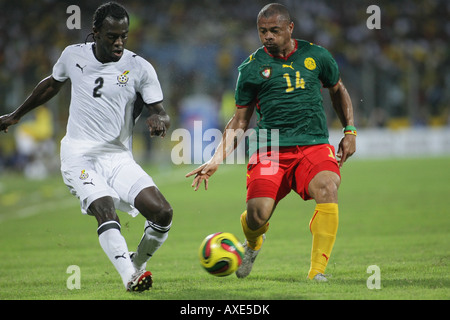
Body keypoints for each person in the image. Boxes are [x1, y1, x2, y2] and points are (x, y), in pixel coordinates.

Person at [0, 2, 172, 292]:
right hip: (79, 155)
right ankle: (129, 277)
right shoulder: (73, 55)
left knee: (162, 213)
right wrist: (16, 114)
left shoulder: (139, 67)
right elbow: (51, 85)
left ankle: (137, 264)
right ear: (96, 33)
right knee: (105, 209)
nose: (119, 43)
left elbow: (161, 110)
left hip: (118, 157)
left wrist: (159, 118)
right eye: (112, 36)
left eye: (124, 36)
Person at [186, 3, 356, 282]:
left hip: (311, 143)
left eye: (274, 30)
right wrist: (216, 158)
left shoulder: (317, 56)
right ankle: (253, 244)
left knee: (327, 187)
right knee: (257, 216)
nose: (267, 36)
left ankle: (317, 272)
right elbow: (240, 120)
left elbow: (338, 90)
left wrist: (350, 131)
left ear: (290, 28)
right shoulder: (251, 68)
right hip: (268, 146)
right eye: (262, 31)